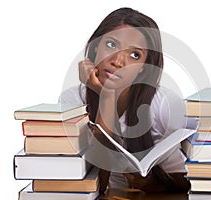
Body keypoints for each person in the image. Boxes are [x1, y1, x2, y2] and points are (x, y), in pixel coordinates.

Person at [59, 7, 192, 193]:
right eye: (111, 45)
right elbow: (93, 186)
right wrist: (107, 96)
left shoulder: (163, 105)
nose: (118, 61)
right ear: (96, 46)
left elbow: (186, 185)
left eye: (134, 55)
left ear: (144, 67)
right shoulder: (73, 101)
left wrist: (150, 183)